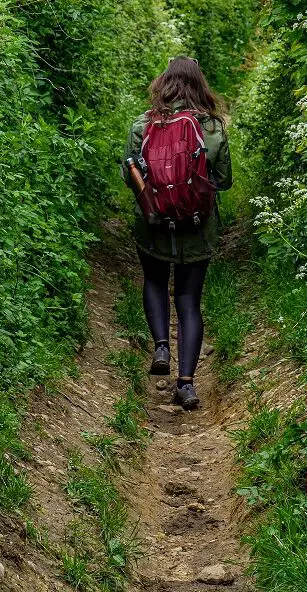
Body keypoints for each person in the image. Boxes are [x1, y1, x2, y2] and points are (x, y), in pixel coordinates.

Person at [121, 56, 232, 410]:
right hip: (196, 228)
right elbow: (224, 181)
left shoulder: (143, 124)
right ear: (200, 84)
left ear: (163, 83)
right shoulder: (212, 128)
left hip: (152, 224)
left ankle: (161, 347)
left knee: (154, 282)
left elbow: (130, 176)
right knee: (188, 300)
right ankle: (186, 384)